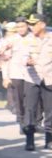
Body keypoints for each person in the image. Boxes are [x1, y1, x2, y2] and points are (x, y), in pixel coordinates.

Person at [23, 13, 50, 150]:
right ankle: (30, 140)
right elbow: (20, 57)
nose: (31, 27)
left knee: (50, 111)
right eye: (30, 24)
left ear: (42, 24)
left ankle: (49, 140)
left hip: (49, 79)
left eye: (34, 24)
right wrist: (26, 61)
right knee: (30, 110)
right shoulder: (26, 40)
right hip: (32, 79)